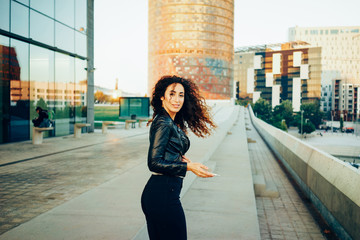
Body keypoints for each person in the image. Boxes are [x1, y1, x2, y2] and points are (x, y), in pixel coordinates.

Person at [141, 75, 216, 240]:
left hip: (164, 193)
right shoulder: (164, 123)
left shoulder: (170, 122)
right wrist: (188, 167)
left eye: (181, 95)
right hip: (162, 195)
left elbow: (166, 152)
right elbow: (153, 162)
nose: (177, 99)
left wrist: (180, 159)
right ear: (162, 97)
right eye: (172, 94)